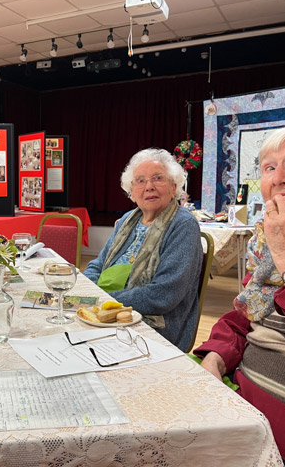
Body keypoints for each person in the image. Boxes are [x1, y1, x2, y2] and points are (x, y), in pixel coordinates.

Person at [194, 125, 285, 466]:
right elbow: (244, 315)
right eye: (269, 167)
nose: (279, 178)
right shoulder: (270, 241)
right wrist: (215, 356)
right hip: (239, 411)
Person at [84, 148, 202, 352]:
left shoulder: (183, 225)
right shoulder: (127, 220)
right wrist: (88, 292)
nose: (149, 187)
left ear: (174, 188)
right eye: (140, 181)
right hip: (106, 310)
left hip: (155, 326)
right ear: (131, 192)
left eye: (158, 178)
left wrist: (103, 301)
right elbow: (97, 265)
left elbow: (163, 295)